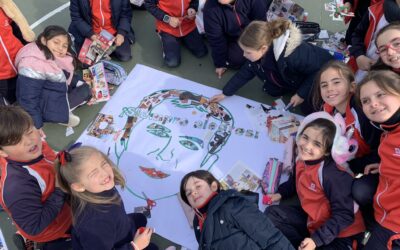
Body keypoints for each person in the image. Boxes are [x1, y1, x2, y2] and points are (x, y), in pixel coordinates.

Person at [265, 112, 365, 249]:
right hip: (313, 220)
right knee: (272, 214)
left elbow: (344, 216)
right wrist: (281, 193)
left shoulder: (333, 175)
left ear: (327, 151)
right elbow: (296, 179)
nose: (307, 146)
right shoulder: (302, 158)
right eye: (305, 137)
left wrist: (316, 240)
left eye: (317, 144)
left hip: (341, 233)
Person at [312, 60, 381, 230]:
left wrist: (348, 165)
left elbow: (379, 150)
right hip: (348, 158)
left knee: (359, 190)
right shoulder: (328, 108)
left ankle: (369, 226)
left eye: (336, 82)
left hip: (373, 163)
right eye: (324, 85)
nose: (330, 89)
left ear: (351, 87)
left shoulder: (362, 113)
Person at [210, 20, 333, 115]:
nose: (244, 55)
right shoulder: (262, 53)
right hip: (291, 76)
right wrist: (225, 93)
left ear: (263, 48)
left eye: (248, 52)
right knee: (271, 90)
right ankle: (290, 86)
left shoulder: (293, 54)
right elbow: (245, 73)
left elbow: (320, 70)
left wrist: (301, 94)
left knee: (308, 109)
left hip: (323, 71)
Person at [55, 145, 155, 250]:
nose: (104, 173)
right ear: (79, 186)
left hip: (119, 226)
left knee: (141, 218)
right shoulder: (93, 225)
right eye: (94, 173)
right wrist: (135, 246)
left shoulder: (98, 187)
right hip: (117, 244)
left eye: (103, 164)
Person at [0, 106, 72, 247]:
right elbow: (35, 227)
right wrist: (60, 188)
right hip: (53, 231)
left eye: (29, 132)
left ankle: (22, 233)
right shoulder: (16, 187)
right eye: (16, 141)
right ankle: (33, 242)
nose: (29, 141)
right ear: (2, 152)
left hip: (53, 206)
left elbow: (51, 159)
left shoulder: (37, 146)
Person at [179, 169, 294, 249]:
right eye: (188, 193)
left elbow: (270, 237)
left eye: (198, 186)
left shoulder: (233, 205)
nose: (193, 192)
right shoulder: (197, 223)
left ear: (214, 186)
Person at [15, 25, 92, 131]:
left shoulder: (47, 53)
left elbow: (65, 73)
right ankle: (59, 115)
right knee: (86, 92)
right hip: (44, 105)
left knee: (82, 84)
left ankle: (61, 110)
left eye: (64, 46)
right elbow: (28, 100)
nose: (60, 48)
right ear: (43, 40)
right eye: (56, 42)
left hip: (48, 93)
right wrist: (37, 126)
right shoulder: (32, 63)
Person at [356, 70, 400, 249]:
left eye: (381, 94)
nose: (373, 104)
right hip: (383, 209)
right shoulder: (388, 131)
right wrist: (384, 165)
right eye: (365, 101)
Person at [203, 0, 271, 78]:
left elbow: (261, 23)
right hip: (232, 38)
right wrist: (220, 63)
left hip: (251, 34)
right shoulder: (210, 9)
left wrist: (259, 46)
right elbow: (216, 39)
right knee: (234, 60)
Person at [144, 0, 208, 67]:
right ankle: (163, 37)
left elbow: (194, 1)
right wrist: (167, 19)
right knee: (172, 62)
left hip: (187, 24)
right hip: (168, 28)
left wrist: (192, 7)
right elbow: (149, 5)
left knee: (202, 52)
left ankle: (181, 39)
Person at [349, 0, 400, 82]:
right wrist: (359, 55)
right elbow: (358, 34)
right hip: (360, 68)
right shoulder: (375, 10)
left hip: (387, 83)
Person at [69, 0, 135, 62]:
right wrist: (91, 34)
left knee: (124, 56)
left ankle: (106, 50)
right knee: (86, 63)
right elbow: (76, 17)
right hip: (91, 31)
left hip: (114, 31)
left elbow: (126, 14)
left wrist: (121, 33)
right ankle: (104, 51)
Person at [0, 7, 26, 105]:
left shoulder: (3, 10)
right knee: (10, 102)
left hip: (21, 63)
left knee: (27, 95)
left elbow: (16, 30)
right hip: (2, 76)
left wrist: (28, 46)